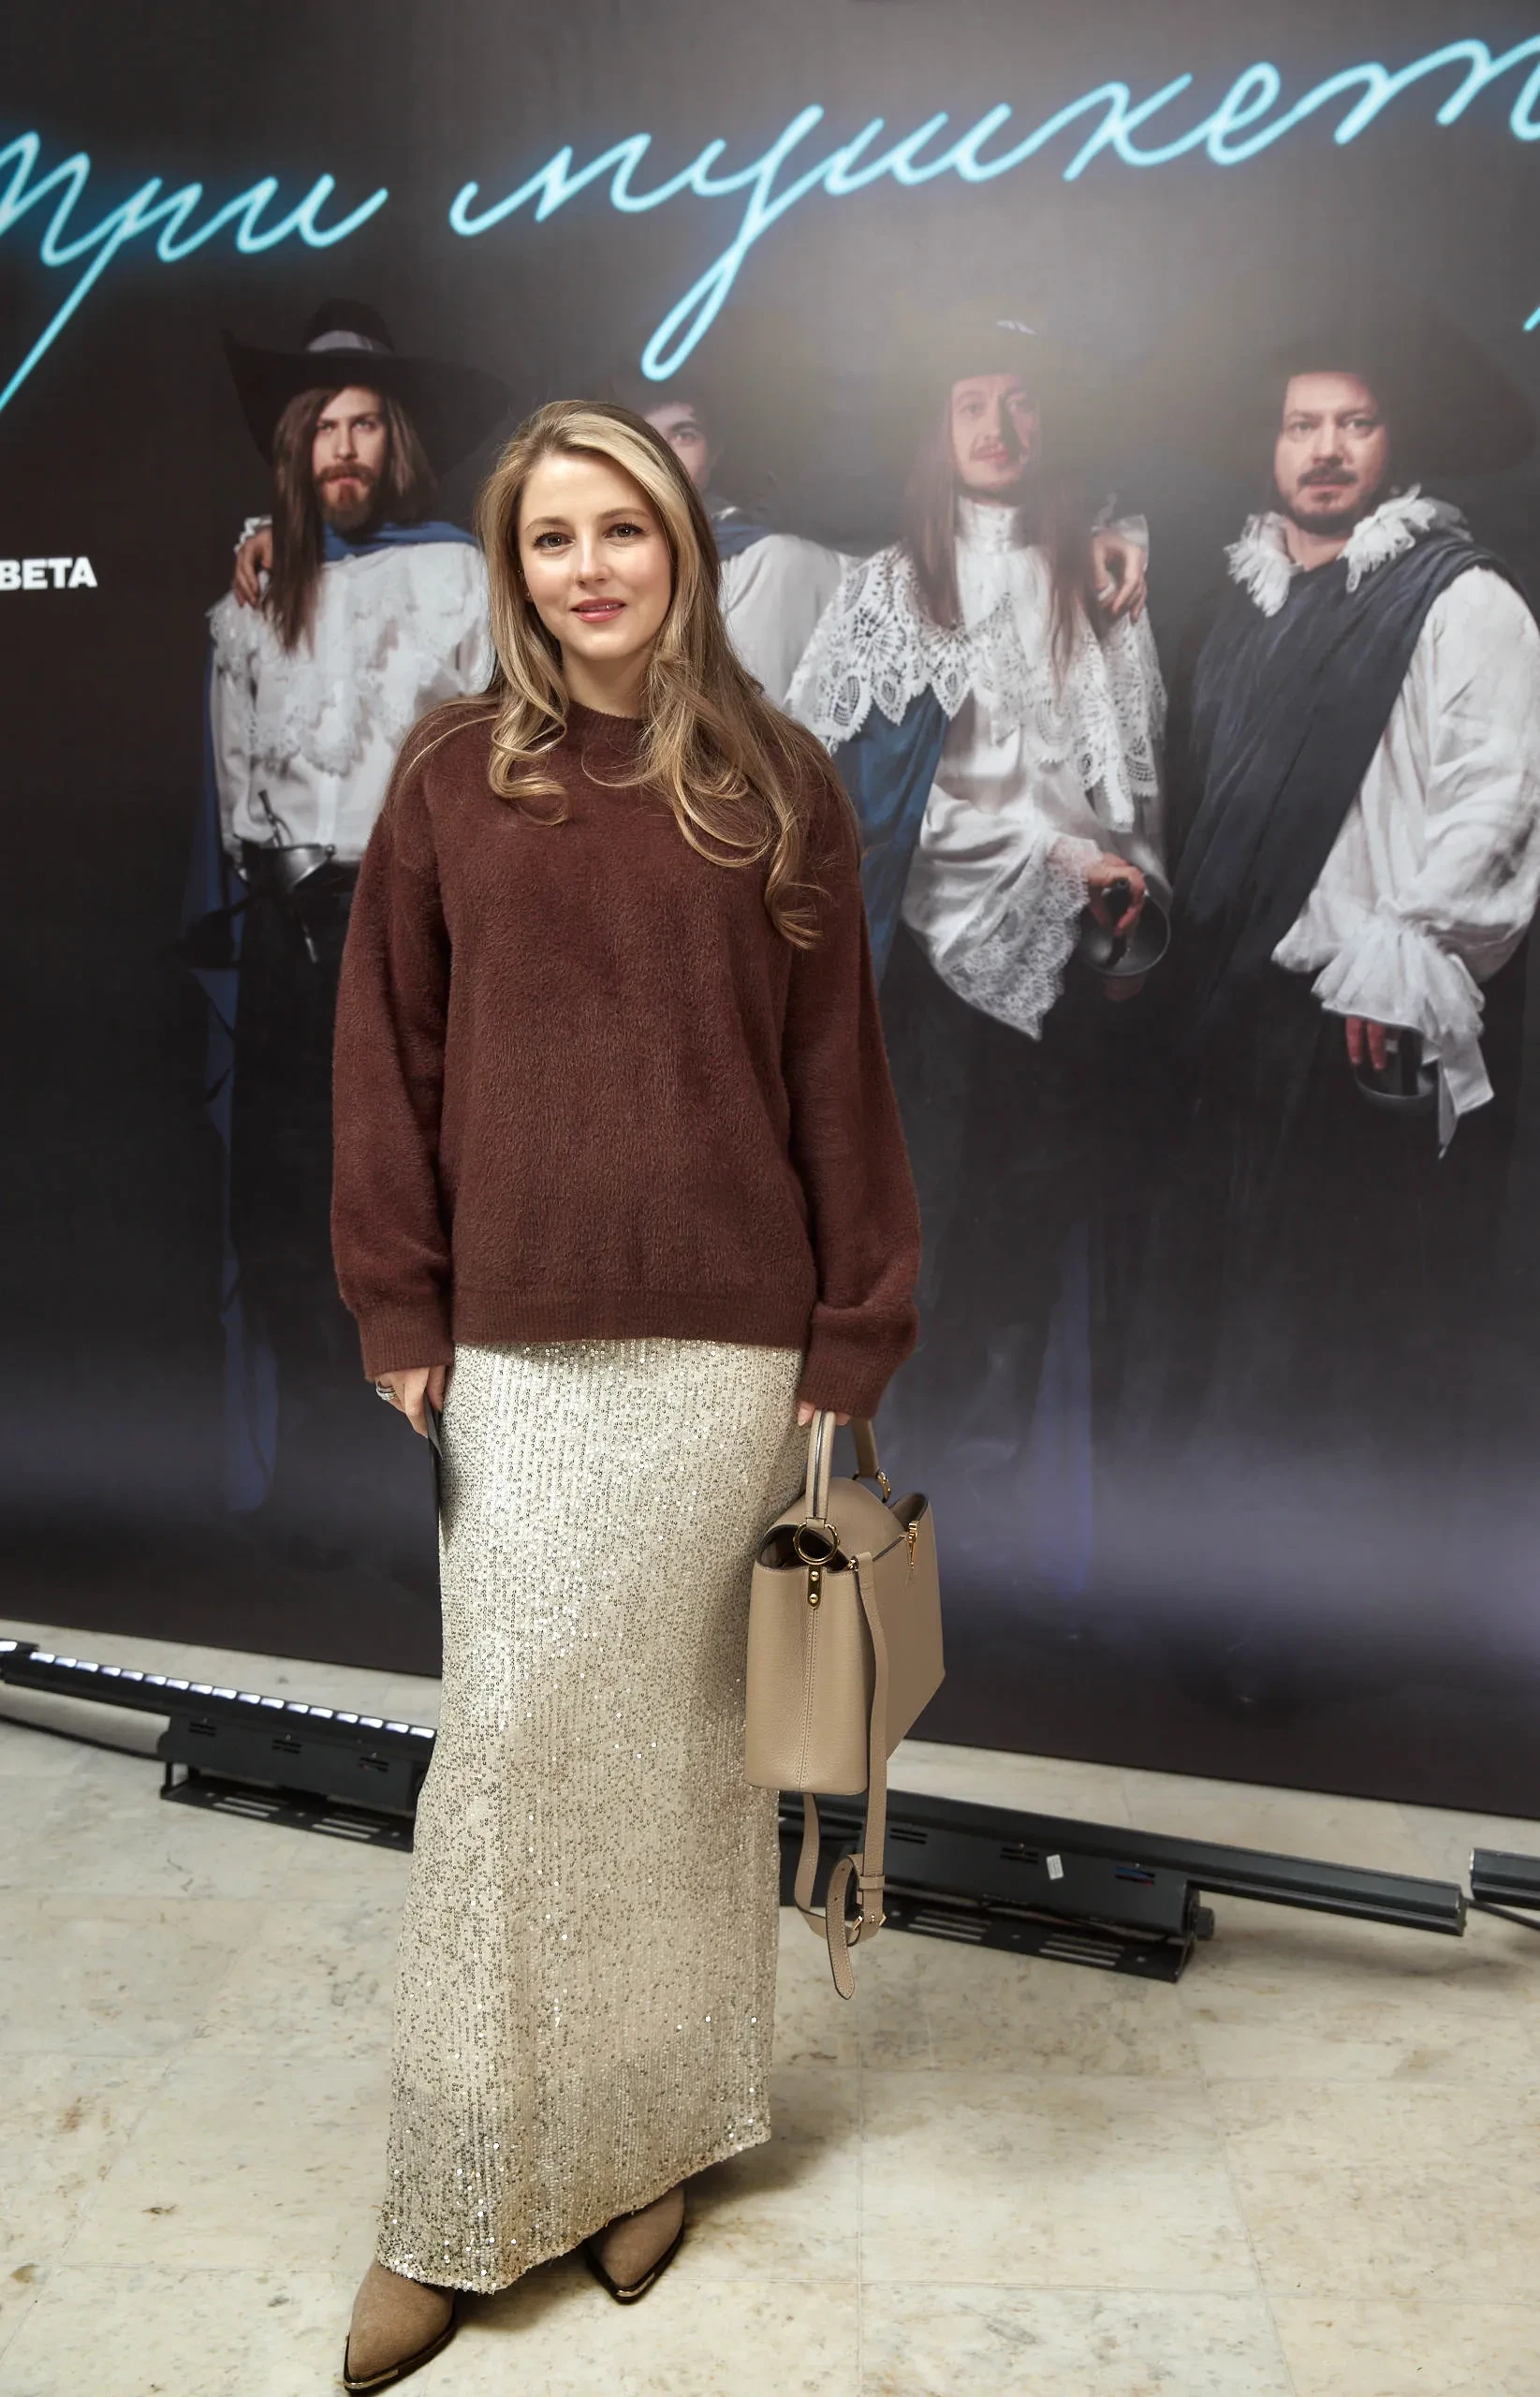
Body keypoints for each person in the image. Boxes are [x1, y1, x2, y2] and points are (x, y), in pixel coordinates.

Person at [329, 399, 920, 2385]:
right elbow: (385, 1056)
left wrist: (855, 1332)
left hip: (731, 1348)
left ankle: (650, 2134)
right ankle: (452, 2198)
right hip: (517, 1345)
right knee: (511, 1758)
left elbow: (838, 1075)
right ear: (515, 567)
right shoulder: (447, 776)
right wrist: (398, 1301)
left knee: (681, 1764)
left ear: (684, 548)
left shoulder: (779, 781)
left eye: (624, 530)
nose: (590, 568)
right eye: (552, 537)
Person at [1117, 314, 1540, 1586]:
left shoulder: (1461, 598)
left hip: (1362, 1018)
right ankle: (1200, 1594)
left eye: (1356, 422)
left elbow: (1498, 798)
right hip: (1226, 1014)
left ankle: (1311, 1611)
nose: (1327, 449)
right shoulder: (1235, 606)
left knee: (1330, 1326)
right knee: (1209, 1307)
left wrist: (1405, 960)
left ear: (1395, 441)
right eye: (1303, 424)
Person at [786, 309, 1166, 1599]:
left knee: (1018, 1257)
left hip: (1053, 990)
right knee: (902, 1261)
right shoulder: (887, 590)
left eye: (1021, 402)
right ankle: (863, 1548)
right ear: (935, 429)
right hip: (914, 981)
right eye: (970, 405)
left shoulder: (1102, 582)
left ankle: (982, 1563)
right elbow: (844, 799)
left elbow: (1133, 795)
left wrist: (1120, 906)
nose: (998, 430)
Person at [197, 300, 508, 1554]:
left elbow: (498, 772)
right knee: (278, 1203)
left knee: (403, 1210)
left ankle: (412, 1505)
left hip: (407, 929)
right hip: (287, 937)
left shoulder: (463, 576)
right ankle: (307, 1499)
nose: (343, 446)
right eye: (322, 425)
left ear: (399, 439)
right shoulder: (256, 591)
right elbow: (234, 793)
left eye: (366, 423)